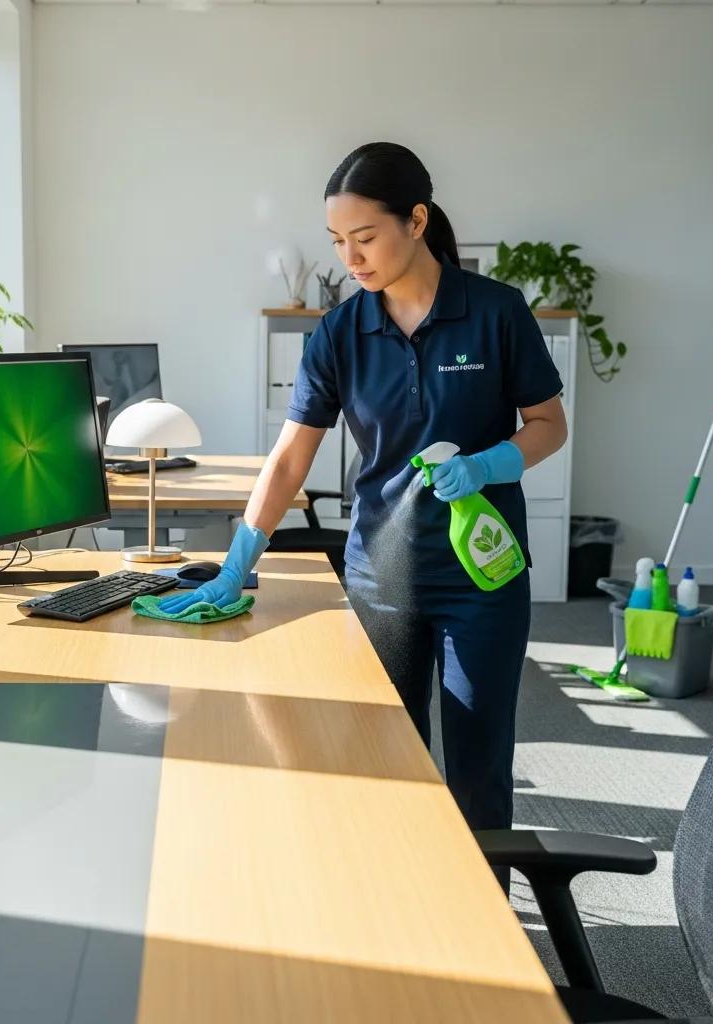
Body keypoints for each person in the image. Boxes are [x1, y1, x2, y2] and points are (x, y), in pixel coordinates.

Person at [158, 142, 566, 849]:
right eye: (338, 241)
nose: (351, 258)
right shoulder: (343, 331)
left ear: (415, 220)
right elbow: (291, 458)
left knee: (478, 771)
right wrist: (237, 560)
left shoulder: (496, 313)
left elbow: (548, 425)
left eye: (365, 237)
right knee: (383, 765)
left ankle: (485, 936)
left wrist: (493, 463)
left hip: (483, 575)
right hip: (384, 573)